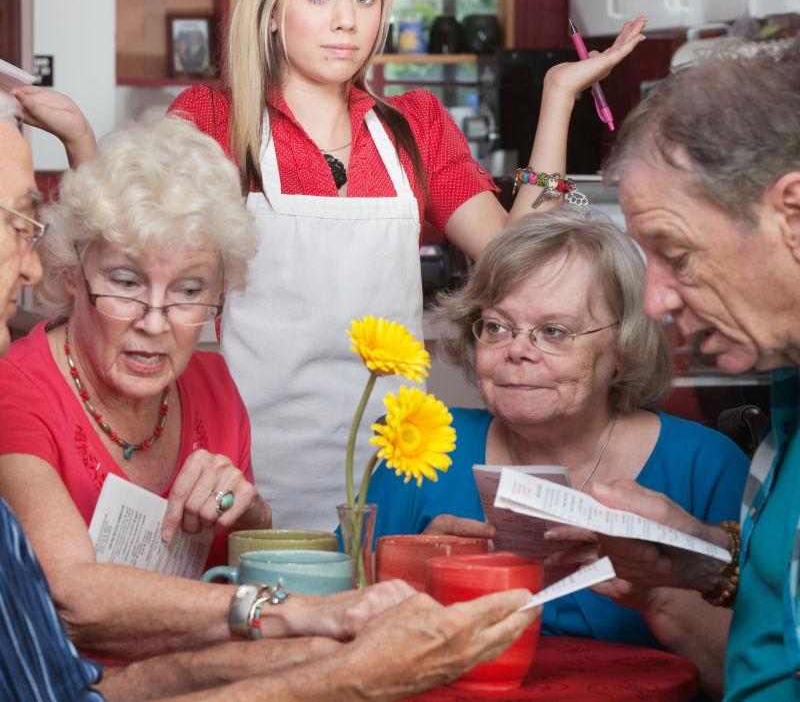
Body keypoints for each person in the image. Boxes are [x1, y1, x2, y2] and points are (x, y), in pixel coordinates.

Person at [12, 0, 648, 530]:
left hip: (395, 464)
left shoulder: (415, 126)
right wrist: (77, 138)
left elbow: (520, 257)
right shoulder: (215, 120)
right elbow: (127, 247)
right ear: (269, 9)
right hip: (245, 456)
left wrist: (558, 96)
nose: (346, 20)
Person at [0, 93, 538, 700]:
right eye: (125, 283)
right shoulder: (18, 390)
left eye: (188, 289)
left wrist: (251, 517)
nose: (155, 319)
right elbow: (72, 597)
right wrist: (299, 614)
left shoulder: (215, 388)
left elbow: (231, 572)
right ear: (72, 273)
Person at [366, 208, 748, 696]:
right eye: (498, 327)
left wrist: (654, 593)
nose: (517, 351)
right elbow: (336, 636)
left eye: (554, 332)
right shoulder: (418, 445)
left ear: (623, 349)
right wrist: (413, 582)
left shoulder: (705, 466)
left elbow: (759, 677)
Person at [552, 42, 800, 701]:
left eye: (678, 255)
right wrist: (703, 554)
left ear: (793, 216)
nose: (655, 301)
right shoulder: (787, 379)